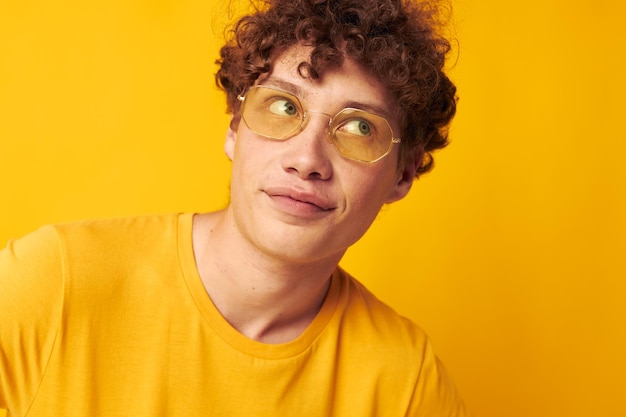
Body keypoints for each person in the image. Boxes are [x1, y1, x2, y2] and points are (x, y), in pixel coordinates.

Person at [0, 0, 470, 415]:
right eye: (284, 107)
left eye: (359, 128)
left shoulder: (406, 382)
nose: (306, 160)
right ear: (234, 128)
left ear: (403, 174)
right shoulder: (52, 284)